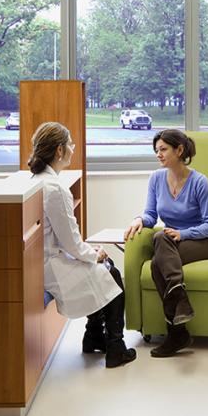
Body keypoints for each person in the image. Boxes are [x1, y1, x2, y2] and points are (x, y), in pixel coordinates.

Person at [29, 122, 136, 368]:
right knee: (111, 274)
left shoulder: (38, 180)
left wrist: (89, 254)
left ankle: (93, 337)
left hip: (43, 260)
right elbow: (72, 243)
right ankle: (115, 347)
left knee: (102, 272)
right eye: (70, 145)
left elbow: (68, 241)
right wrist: (95, 254)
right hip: (50, 266)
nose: (73, 149)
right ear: (59, 151)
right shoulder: (55, 189)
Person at [125, 129, 208, 358]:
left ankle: (177, 332)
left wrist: (182, 233)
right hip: (171, 243)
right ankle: (178, 321)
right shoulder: (156, 178)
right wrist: (138, 219)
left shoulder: (199, 182)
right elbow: (150, 214)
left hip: (201, 242)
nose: (159, 154)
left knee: (159, 249)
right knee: (158, 255)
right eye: (157, 150)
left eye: (163, 149)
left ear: (180, 150)